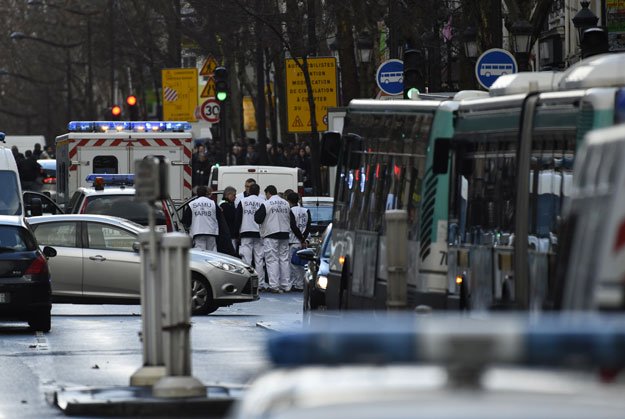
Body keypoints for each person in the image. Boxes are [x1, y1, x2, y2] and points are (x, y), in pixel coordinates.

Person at [254, 185, 291, 293]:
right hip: (284, 234)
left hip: (271, 234)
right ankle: (286, 285)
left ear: (269, 193)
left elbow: (258, 218)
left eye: (266, 194)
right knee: (284, 259)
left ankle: (274, 285)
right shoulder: (286, 203)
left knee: (272, 259)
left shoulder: (267, 204)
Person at [235, 183, 266, 290]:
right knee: (259, 259)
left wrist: (237, 233)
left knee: (246, 259)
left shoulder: (242, 201)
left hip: (245, 232)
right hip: (259, 232)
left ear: (248, 191)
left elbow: (238, 219)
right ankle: (260, 283)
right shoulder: (263, 202)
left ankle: (247, 282)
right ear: (258, 191)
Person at [287, 192, 311, 292]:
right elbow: (308, 225)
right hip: (304, 241)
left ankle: (297, 284)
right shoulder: (306, 210)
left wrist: (300, 238)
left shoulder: (291, 211)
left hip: (294, 240)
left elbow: (293, 226)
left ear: (289, 201)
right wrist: (304, 239)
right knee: (302, 264)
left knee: (293, 264)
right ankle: (301, 283)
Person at [188, 186, 220, 251]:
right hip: (211, 232)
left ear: (197, 193)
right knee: (212, 254)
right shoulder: (212, 203)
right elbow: (219, 217)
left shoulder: (192, 204)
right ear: (206, 193)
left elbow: (186, 219)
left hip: (198, 232)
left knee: (200, 253)